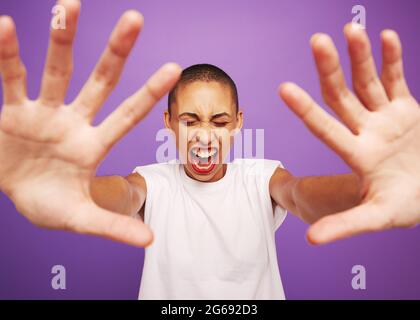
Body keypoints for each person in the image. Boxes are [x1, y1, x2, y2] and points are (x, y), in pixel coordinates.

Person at [0, 0, 419, 299]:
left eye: (219, 122)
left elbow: (301, 194)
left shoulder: (262, 176)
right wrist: (75, 192)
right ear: (169, 124)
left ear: (238, 124)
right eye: (189, 121)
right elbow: (125, 196)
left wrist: (368, 189)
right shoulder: (152, 181)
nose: (204, 137)